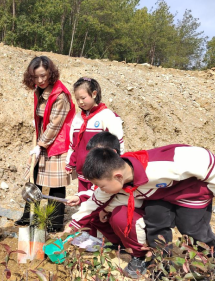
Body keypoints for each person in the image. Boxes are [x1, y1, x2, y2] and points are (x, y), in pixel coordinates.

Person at [64, 145, 215, 278]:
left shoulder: (162, 166)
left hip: (191, 194)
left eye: (102, 186)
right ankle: (162, 264)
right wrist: (74, 225)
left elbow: (206, 160)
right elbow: (95, 201)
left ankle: (209, 261)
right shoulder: (119, 176)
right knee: (156, 227)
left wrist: (211, 188)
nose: (101, 190)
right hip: (160, 195)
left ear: (118, 176)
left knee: (191, 230)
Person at [14, 56, 75, 232]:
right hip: (42, 138)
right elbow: (43, 117)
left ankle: (54, 224)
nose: (40, 80)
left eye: (43, 76)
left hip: (57, 143)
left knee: (56, 184)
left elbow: (55, 125)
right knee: (34, 179)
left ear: (50, 73)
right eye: (36, 76)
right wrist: (37, 126)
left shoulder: (60, 95)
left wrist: (40, 145)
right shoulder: (39, 90)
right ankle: (29, 217)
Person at [65, 77, 124, 204]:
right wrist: (70, 162)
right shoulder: (77, 118)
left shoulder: (107, 116)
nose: (80, 102)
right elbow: (73, 143)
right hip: (83, 170)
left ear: (94, 94)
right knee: (84, 200)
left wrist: (115, 166)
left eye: (83, 98)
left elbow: (118, 144)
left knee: (100, 201)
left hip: (100, 170)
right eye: (77, 99)